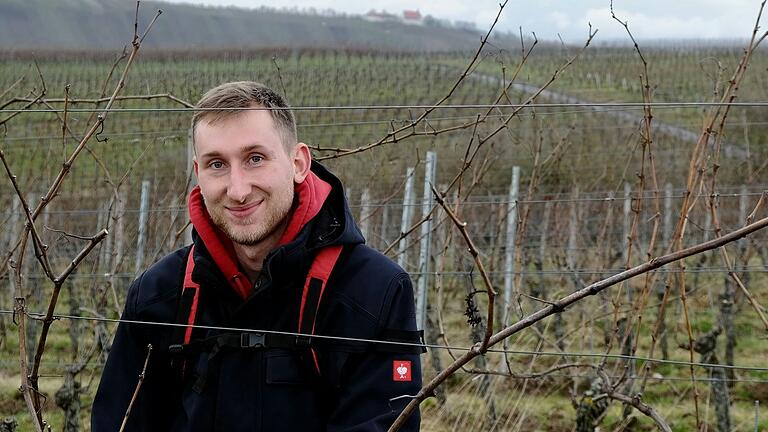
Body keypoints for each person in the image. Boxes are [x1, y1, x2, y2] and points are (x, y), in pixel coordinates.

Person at [92, 81, 423, 431]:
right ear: (198, 175)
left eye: (255, 158)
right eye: (217, 164)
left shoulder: (378, 293)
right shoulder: (157, 296)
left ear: (298, 163)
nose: (237, 190)